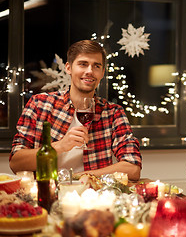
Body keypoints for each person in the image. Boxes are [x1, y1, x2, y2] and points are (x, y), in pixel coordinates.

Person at [9, 40, 142, 180]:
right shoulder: (40, 104)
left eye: (96, 66)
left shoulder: (113, 112)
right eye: (83, 64)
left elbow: (132, 168)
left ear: (102, 73)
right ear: (68, 68)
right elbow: (16, 163)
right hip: (45, 194)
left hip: (93, 197)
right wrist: (60, 146)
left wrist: (75, 178)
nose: (89, 71)